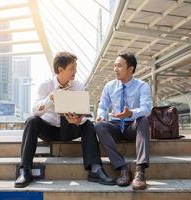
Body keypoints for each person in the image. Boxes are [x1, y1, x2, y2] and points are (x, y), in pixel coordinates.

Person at [15, 51, 115, 188]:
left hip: (70, 128)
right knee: (32, 121)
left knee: (89, 125)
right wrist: (51, 98)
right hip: (49, 129)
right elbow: (35, 110)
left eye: (75, 68)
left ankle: (95, 168)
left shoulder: (78, 86)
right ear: (60, 70)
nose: (75, 72)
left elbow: (84, 113)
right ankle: (25, 170)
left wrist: (78, 120)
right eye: (72, 68)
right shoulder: (46, 85)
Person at [95, 52, 151, 190]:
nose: (115, 69)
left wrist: (131, 113)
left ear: (130, 69)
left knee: (143, 120)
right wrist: (101, 115)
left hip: (132, 126)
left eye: (119, 66)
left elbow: (146, 108)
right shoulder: (109, 86)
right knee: (100, 125)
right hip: (115, 126)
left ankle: (140, 171)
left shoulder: (142, 86)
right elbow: (102, 106)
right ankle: (123, 168)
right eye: (115, 66)